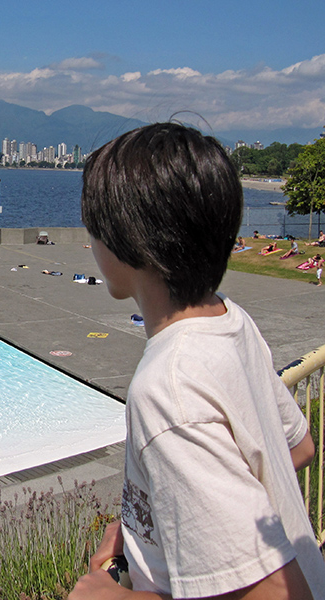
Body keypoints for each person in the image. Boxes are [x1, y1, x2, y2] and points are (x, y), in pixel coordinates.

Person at [70, 123, 324, 599]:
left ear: (126, 241)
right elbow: (298, 447)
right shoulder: (231, 320)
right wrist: (150, 528)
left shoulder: (167, 389)